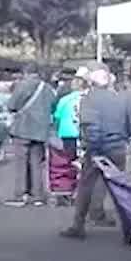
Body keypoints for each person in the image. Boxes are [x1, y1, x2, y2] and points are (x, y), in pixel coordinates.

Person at [60, 65, 130, 239]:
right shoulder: (119, 98)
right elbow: (126, 124)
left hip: (98, 148)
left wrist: (90, 147)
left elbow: (91, 126)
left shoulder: (89, 100)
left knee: (86, 186)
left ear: (91, 81)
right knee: (118, 189)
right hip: (117, 146)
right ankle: (129, 227)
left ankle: (78, 225)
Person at [4, 65, 57, 207]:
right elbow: (53, 105)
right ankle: (38, 195)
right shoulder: (47, 88)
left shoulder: (22, 86)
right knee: (37, 163)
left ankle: (20, 195)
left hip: (22, 128)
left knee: (21, 163)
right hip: (40, 130)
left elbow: (12, 105)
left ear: (25, 73)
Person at [50, 77, 85, 205]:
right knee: (83, 161)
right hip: (83, 133)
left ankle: (69, 188)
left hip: (67, 133)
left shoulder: (65, 100)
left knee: (70, 161)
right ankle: (80, 188)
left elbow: (57, 116)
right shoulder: (88, 98)